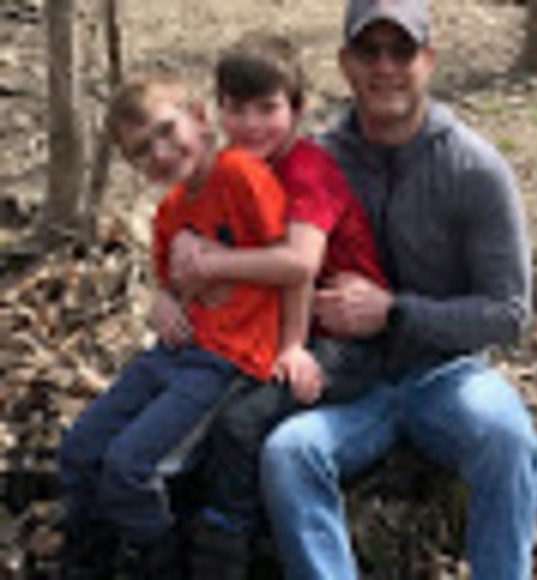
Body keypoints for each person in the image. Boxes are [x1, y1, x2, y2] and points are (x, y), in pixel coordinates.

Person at [256, 0, 537, 579]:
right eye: (369, 51)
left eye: (402, 50)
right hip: (345, 386)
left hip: (449, 376)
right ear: (345, 63)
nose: (385, 66)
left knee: (508, 437)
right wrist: (176, 284)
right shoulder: (316, 163)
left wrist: (395, 312)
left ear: (428, 60)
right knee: (288, 453)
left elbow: (509, 312)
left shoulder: (475, 169)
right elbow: (244, 242)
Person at [167, 33, 390, 578]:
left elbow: (299, 263)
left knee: (241, 425)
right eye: (236, 109)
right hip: (269, 325)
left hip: (345, 340)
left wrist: (215, 264)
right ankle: (160, 537)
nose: (251, 125)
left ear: (297, 109)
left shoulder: (308, 169)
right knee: (185, 403)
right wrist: (168, 294)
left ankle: (223, 551)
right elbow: (186, 237)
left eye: (267, 109)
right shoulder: (230, 171)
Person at [57, 75, 288, 579]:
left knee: (129, 466)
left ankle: (162, 560)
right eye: (142, 151)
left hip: (227, 359)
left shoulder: (241, 176)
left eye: (166, 131)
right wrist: (162, 301)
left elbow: (293, 261)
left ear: (200, 118)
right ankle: (85, 559)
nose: (160, 153)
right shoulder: (170, 211)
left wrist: (289, 343)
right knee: (78, 450)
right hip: (173, 352)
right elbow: (170, 284)